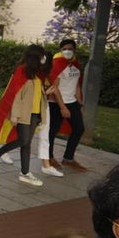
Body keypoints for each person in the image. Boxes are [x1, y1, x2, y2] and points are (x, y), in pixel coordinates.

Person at [0, 44, 64, 187]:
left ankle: (25, 173)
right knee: (23, 140)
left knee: (26, 143)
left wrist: (46, 93)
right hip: (23, 114)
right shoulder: (22, 71)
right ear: (35, 57)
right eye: (41, 55)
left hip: (35, 114)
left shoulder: (36, 73)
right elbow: (15, 95)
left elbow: (34, 94)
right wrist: (14, 115)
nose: (44, 58)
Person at [47, 38, 88, 171]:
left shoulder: (76, 65)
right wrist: (62, 107)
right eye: (64, 49)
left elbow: (77, 86)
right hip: (56, 102)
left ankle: (68, 158)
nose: (67, 51)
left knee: (79, 128)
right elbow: (55, 87)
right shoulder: (57, 64)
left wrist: (80, 105)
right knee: (52, 131)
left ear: (74, 50)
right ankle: (49, 157)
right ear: (60, 50)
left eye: (70, 49)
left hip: (72, 101)